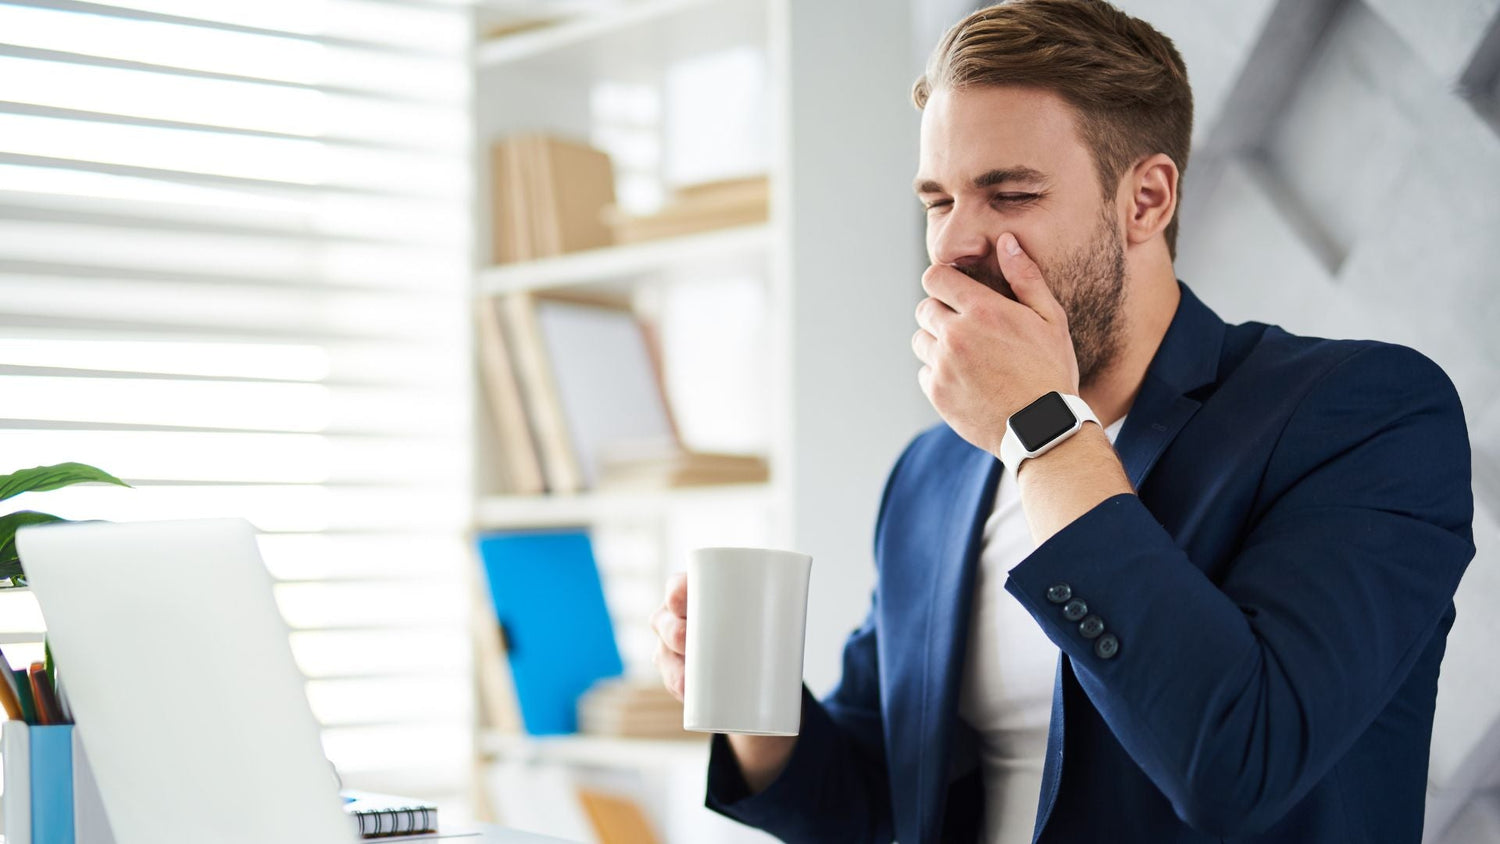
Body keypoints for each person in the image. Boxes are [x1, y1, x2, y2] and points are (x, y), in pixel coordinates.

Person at [649, 1, 1476, 841]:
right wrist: (749, 705)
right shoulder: (932, 475)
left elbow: (1239, 763)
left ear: (1146, 200)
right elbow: (881, 805)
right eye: (939, 200)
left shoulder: (1364, 415)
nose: (950, 249)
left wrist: (1041, 428)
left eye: (1008, 193)